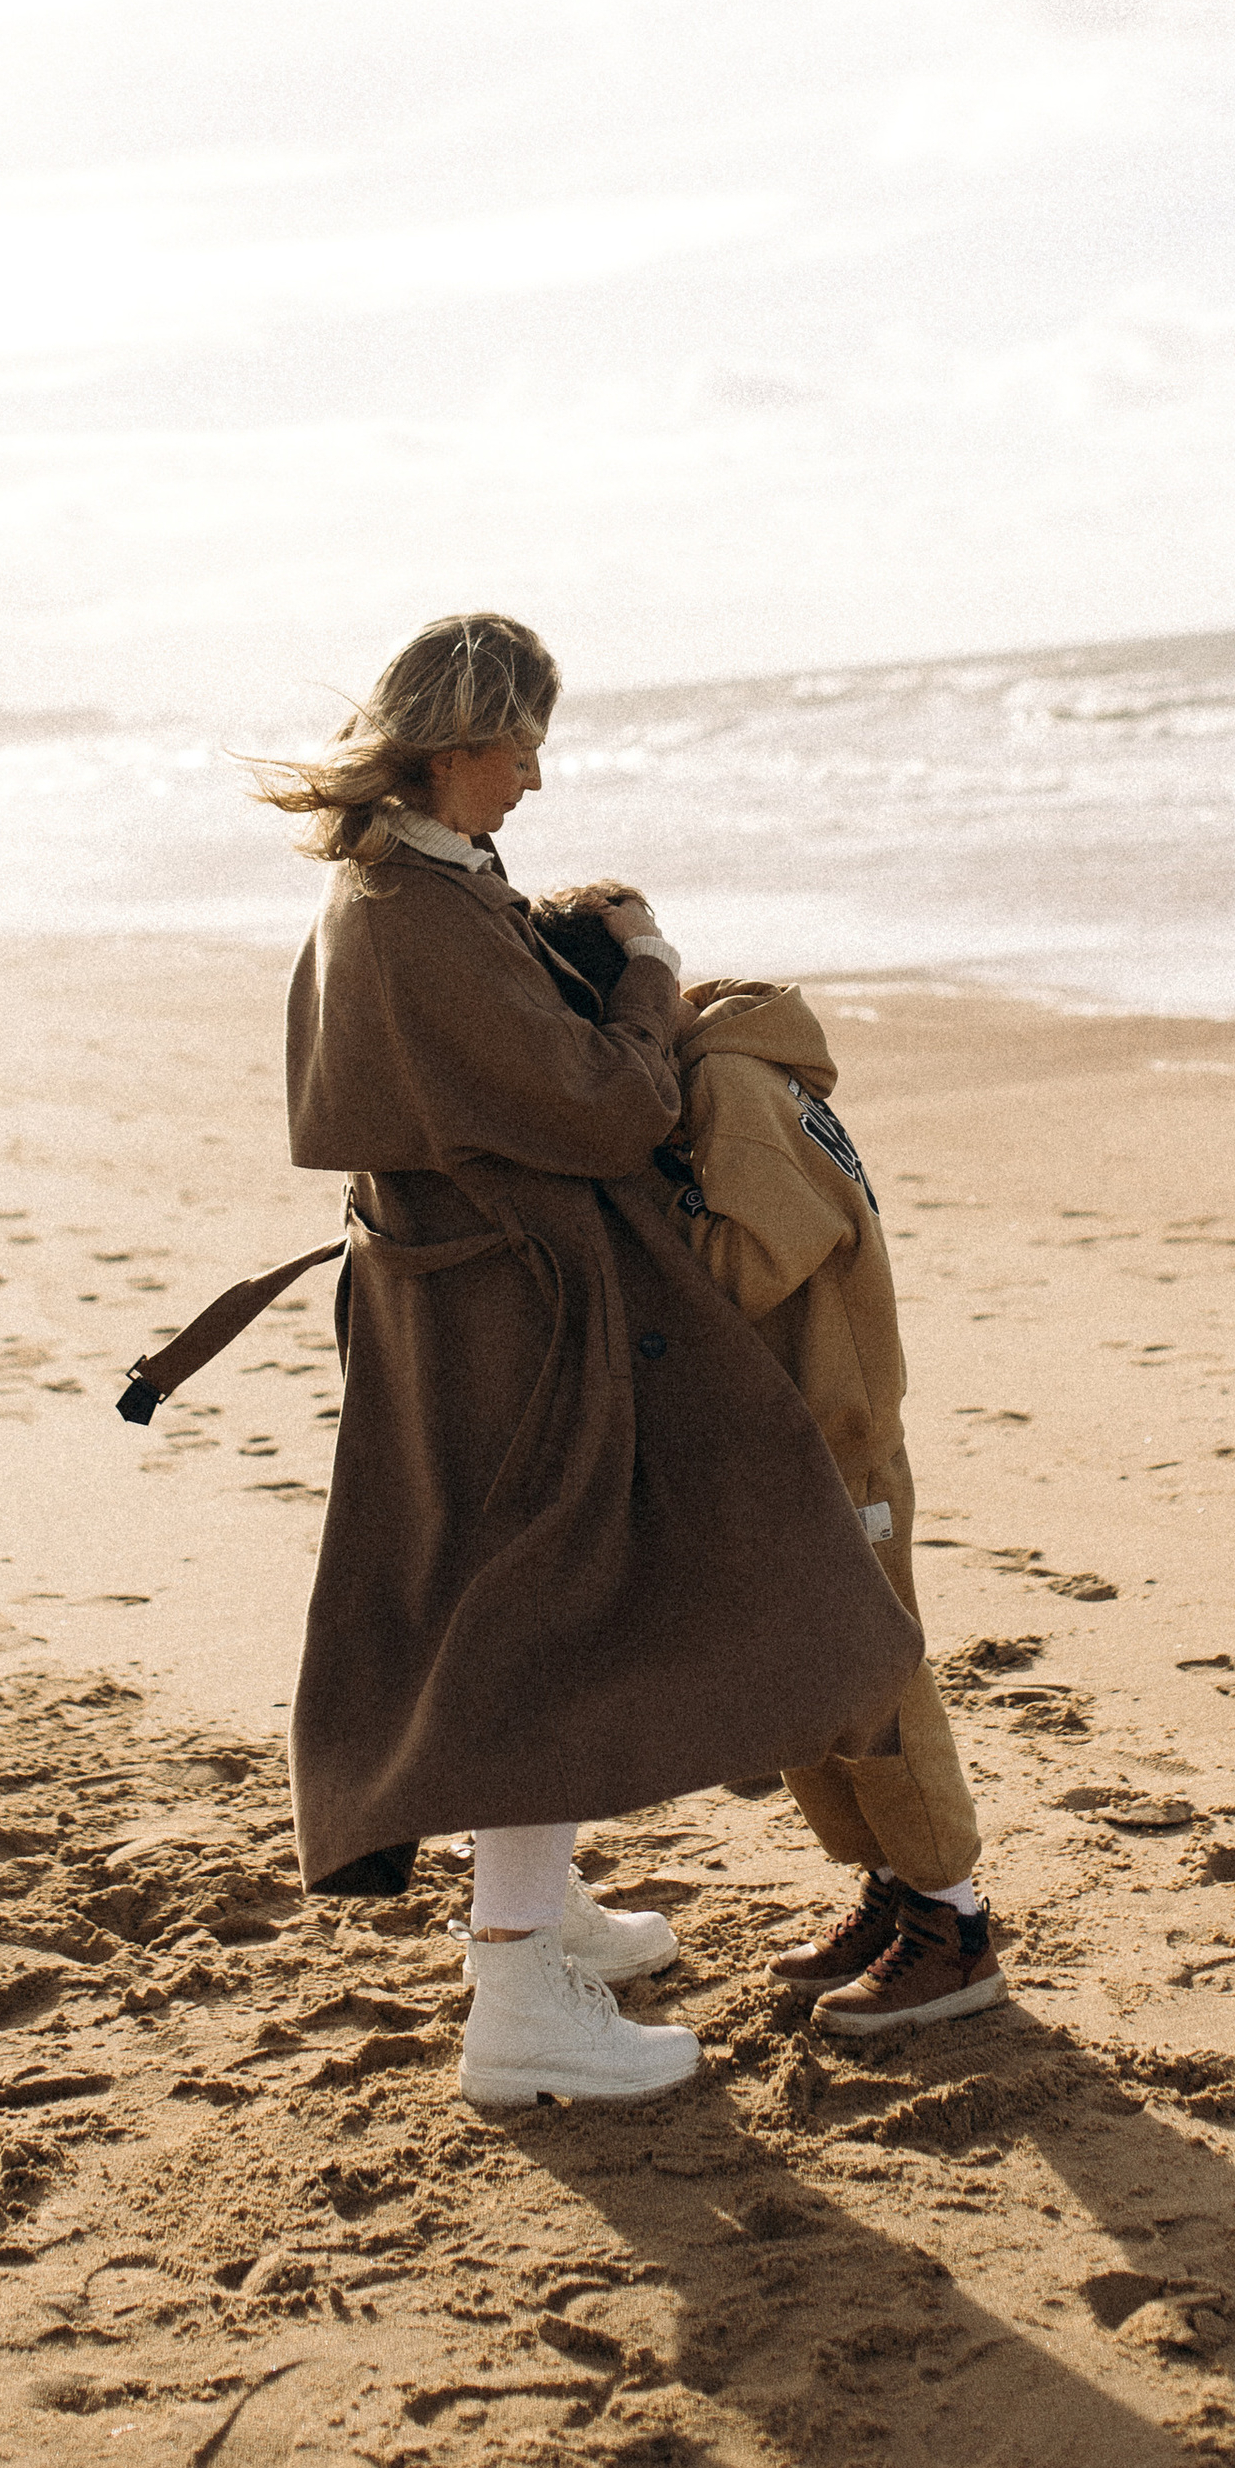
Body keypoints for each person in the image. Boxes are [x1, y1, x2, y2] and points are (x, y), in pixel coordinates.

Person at [257, 612, 919, 2111]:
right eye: (520, 749)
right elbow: (614, 1106)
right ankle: (517, 2002)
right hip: (511, 1317)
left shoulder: (407, 882)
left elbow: (485, 1037)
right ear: (452, 744)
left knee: (521, 1603)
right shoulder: (413, 914)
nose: (536, 779)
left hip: (463, 1304)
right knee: (540, 1627)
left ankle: (538, 1917)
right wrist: (648, 969)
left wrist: (566, 929)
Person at [533, 903, 1001, 2041]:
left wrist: (620, 1217)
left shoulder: (733, 1086)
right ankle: (894, 1889)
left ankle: (955, 1922)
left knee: (874, 1673)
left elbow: (750, 1259)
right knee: (806, 1677)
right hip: (779, 1428)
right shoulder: (711, 1077)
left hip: (833, 1430)